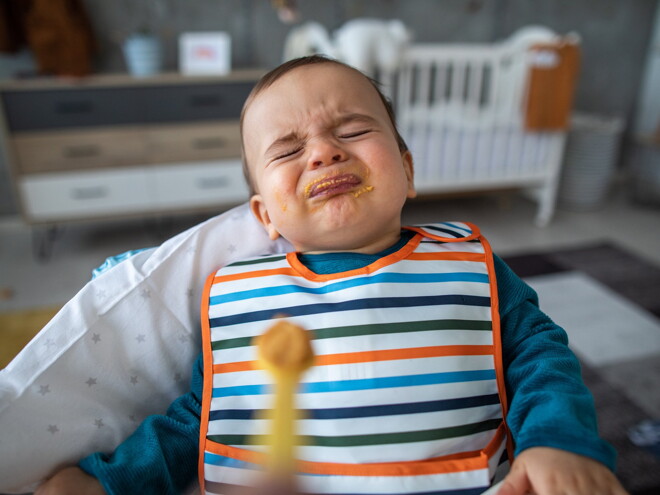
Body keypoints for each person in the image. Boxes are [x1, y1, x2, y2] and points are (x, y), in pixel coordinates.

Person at [36, 56, 628, 495]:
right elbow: (203, 417)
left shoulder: (466, 263)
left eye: (352, 131)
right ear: (266, 214)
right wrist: (109, 484)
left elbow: (539, 360)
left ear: (406, 169)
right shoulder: (243, 293)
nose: (323, 152)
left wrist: (558, 441)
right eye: (288, 150)